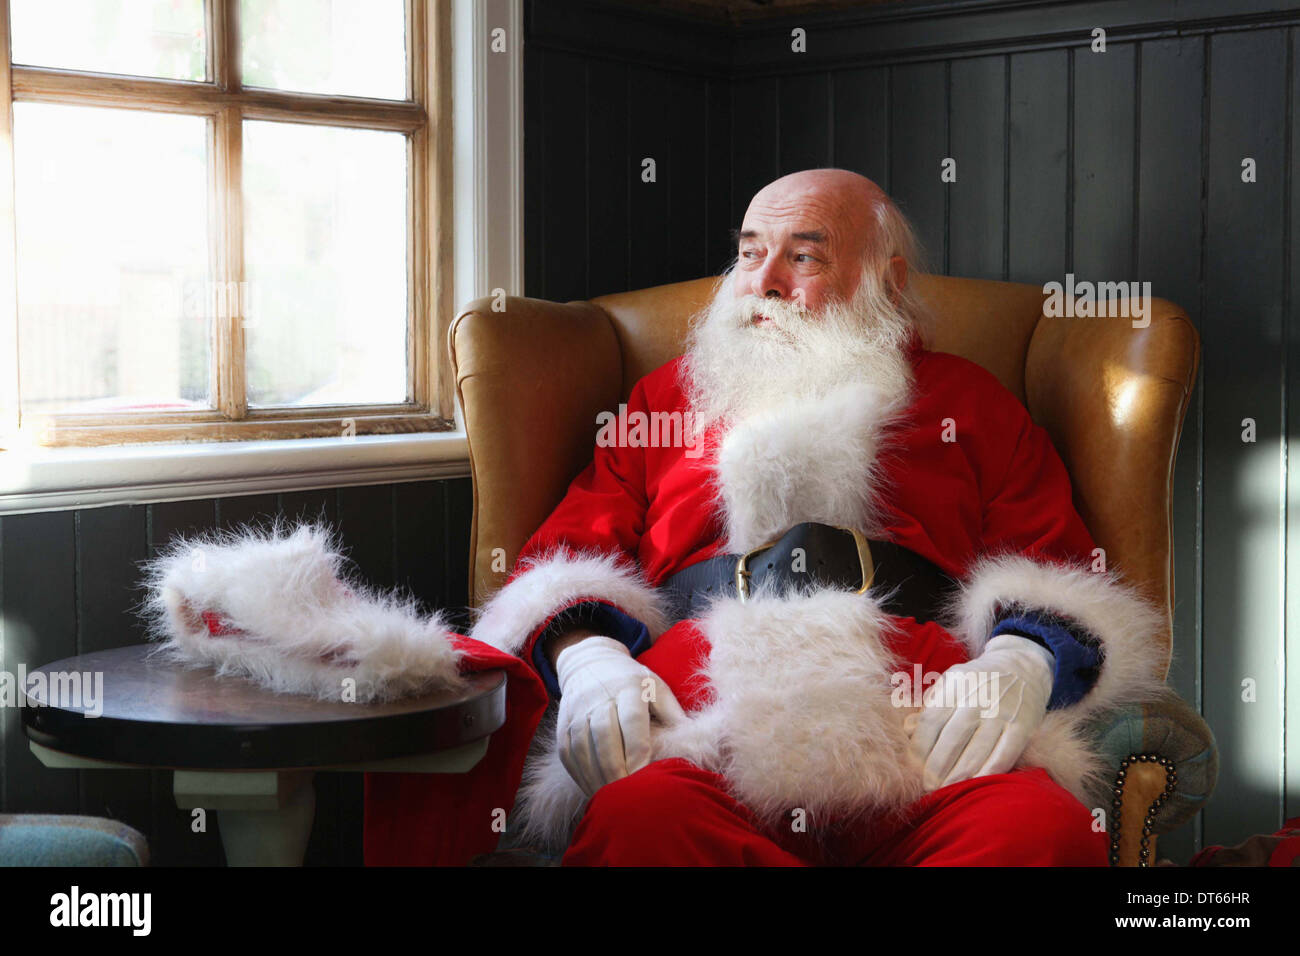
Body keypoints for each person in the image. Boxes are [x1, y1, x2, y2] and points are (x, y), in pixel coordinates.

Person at [369, 168, 1169, 866]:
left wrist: (1022, 662)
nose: (764, 281)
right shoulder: (664, 404)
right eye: (750, 252)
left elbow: (1062, 571)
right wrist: (589, 662)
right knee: (637, 825)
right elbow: (566, 557)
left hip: (921, 730)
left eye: (805, 256)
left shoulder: (972, 405)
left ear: (885, 283)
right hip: (701, 725)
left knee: (1040, 833)